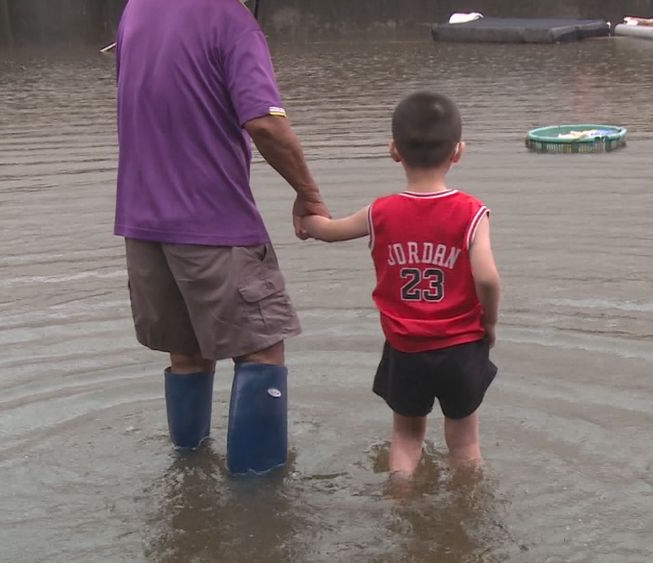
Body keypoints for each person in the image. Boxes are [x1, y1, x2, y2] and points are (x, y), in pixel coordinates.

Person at [114, 0, 329, 474]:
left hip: (143, 223)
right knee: (261, 351)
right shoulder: (230, 19)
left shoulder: (137, 10)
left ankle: (189, 479)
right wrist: (309, 194)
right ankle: (259, 498)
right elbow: (264, 122)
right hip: (214, 222)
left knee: (188, 354)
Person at [301, 92, 501, 477]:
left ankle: (400, 498)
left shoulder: (380, 212)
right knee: (465, 444)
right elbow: (488, 277)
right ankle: (469, 504)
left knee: (406, 439)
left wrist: (306, 219)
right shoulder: (472, 213)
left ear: (394, 150)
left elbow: (328, 231)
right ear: (458, 152)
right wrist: (489, 322)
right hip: (462, 348)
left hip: (406, 349)